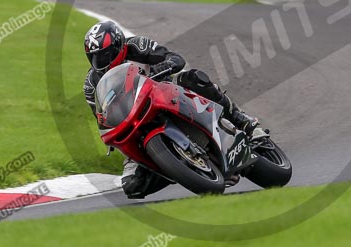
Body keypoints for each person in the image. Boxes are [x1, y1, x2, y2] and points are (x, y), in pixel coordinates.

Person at [82, 20, 259, 199]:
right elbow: (102, 116)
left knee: (193, 78)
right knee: (132, 186)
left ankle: (240, 118)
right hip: (133, 120)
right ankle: (178, 166)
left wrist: (162, 67)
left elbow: (175, 59)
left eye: (106, 55)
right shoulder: (91, 84)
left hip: (163, 93)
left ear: (119, 45)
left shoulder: (137, 46)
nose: (102, 62)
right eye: (95, 58)